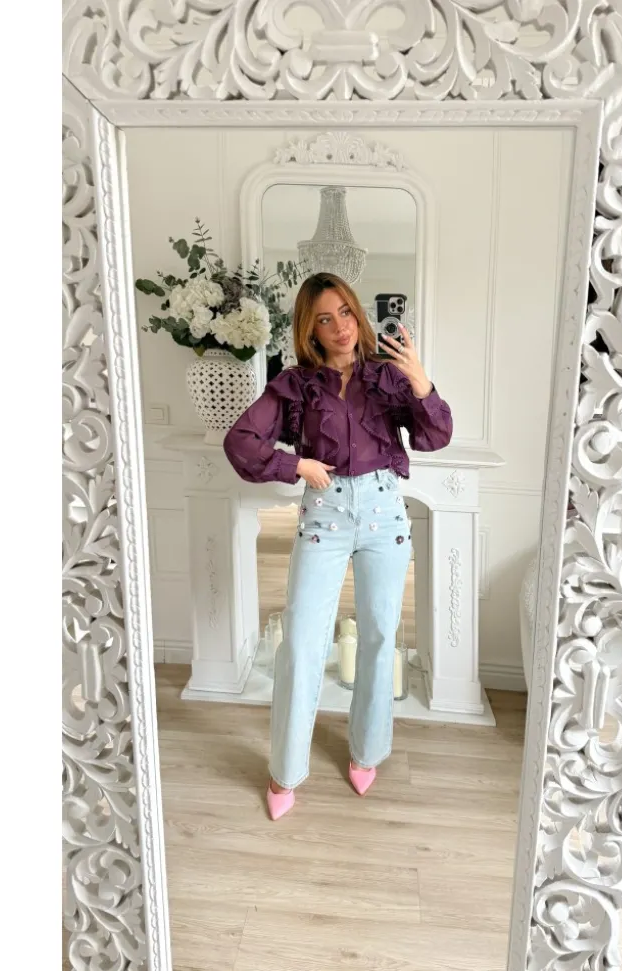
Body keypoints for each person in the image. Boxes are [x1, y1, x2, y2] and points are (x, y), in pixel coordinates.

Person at [222, 272, 453, 820]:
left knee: (379, 635)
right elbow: (241, 441)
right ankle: (284, 771)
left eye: (345, 312)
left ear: (358, 314)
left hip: (383, 512)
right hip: (324, 514)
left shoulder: (388, 377)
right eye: (324, 319)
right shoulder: (295, 385)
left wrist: (421, 382)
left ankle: (367, 751)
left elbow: (434, 437)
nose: (340, 327)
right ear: (310, 329)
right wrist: (295, 464)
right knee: (302, 642)